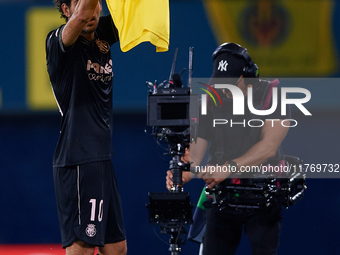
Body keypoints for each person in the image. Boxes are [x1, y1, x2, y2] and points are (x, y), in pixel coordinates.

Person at [166, 42, 291, 255]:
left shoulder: (273, 95)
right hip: (222, 197)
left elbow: (269, 147)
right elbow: (197, 150)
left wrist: (228, 168)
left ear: (246, 76)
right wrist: (187, 171)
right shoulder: (211, 99)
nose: (223, 88)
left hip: (263, 197)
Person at [46, 0, 127, 254]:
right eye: (79, 4)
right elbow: (81, 17)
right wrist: (82, 11)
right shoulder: (58, 42)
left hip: (101, 158)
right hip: (79, 159)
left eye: (94, 5)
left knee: (116, 248)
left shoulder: (103, 33)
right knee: (82, 247)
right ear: (66, 10)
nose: (89, 11)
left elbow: (132, 11)